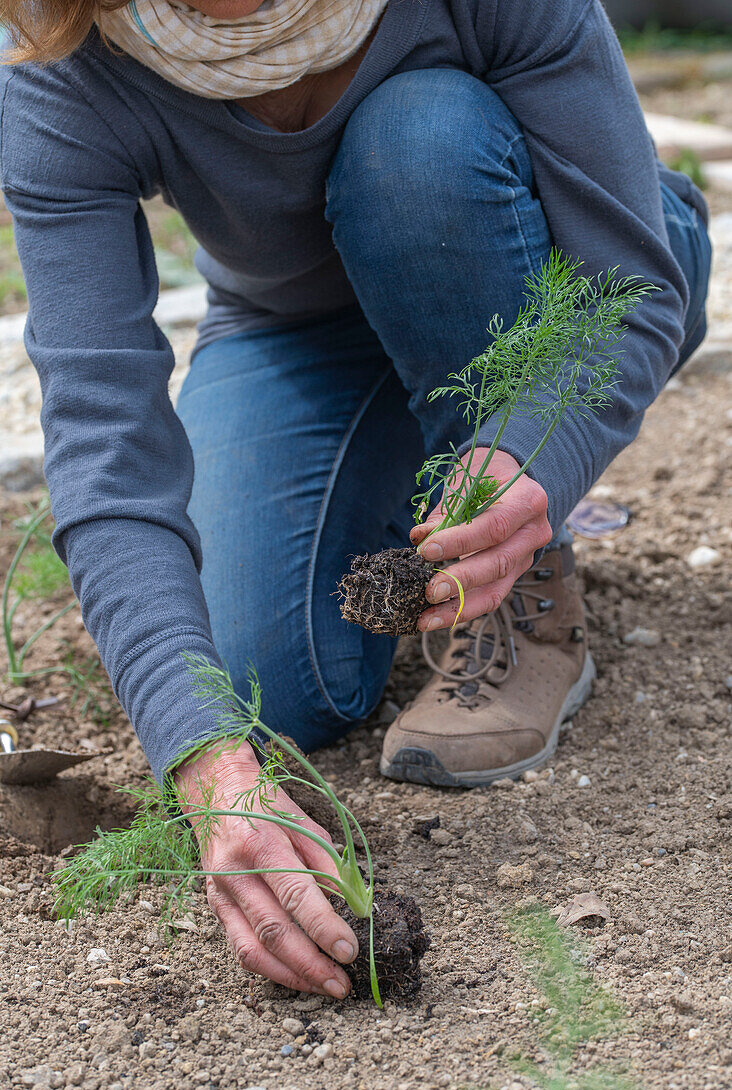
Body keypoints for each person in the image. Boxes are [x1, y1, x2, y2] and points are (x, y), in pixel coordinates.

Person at [0, 0, 711, 999]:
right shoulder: (63, 53)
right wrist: (206, 760)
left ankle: (518, 592)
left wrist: (532, 457)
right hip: (295, 330)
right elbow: (105, 450)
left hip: (553, 252)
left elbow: (626, 282)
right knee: (253, 683)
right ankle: (415, 463)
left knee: (410, 148)